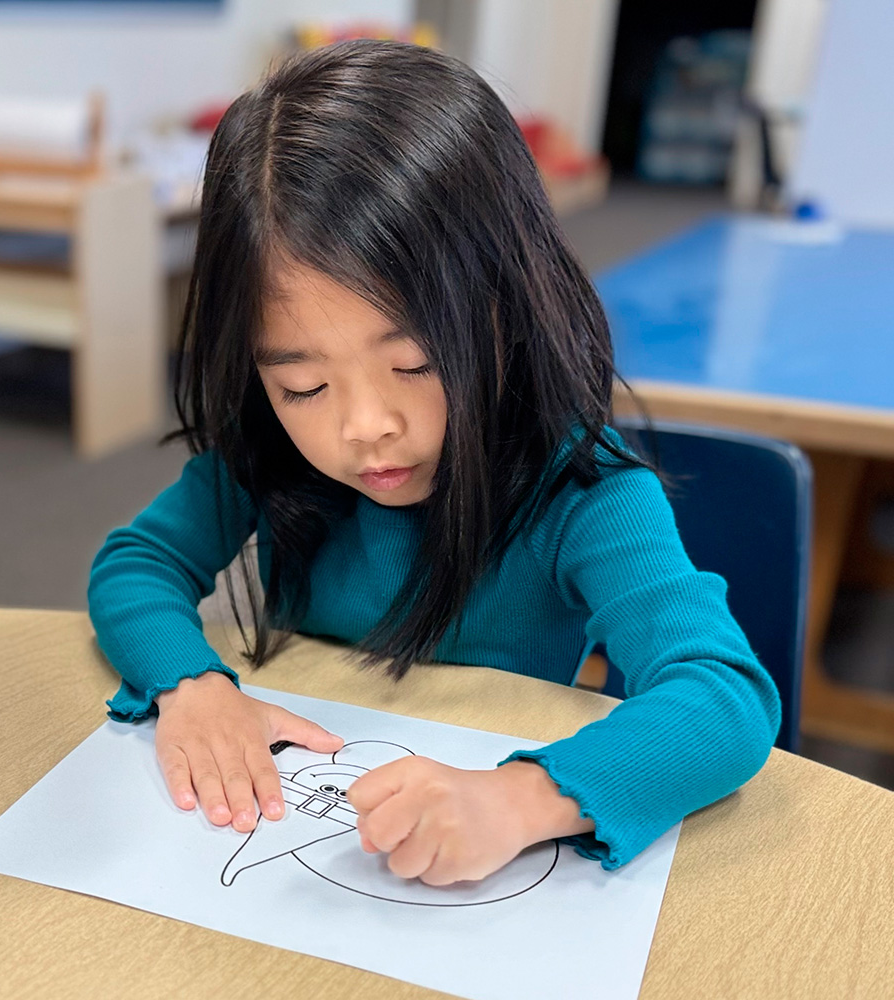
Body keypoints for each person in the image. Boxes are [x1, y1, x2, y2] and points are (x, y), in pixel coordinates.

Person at [88, 40, 779, 884]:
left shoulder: (586, 494)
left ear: (509, 305)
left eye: (414, 364)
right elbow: (136, 564)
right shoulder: (269, 458)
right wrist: (190, 684)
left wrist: (523, 799)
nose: (366, 427)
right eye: (303, 385)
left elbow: (724, 696)